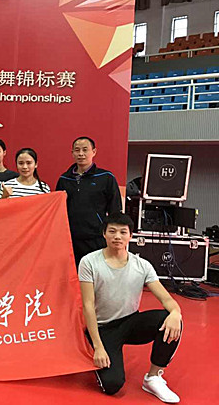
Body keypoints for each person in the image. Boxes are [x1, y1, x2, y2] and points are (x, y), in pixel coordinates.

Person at [79, 213, 182, 403]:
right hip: (104, 329)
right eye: (112, 231)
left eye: (123, 232)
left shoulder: (142, 265)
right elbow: (88, 305)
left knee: (170, 319)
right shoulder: (89, 262)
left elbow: (167, 299)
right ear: (104, 234)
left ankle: (153, 377)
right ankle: (99, 352)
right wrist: (98, 346)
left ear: (130, 236)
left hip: (130, 321)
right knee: (112, 385)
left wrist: (176, 313)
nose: (117, 236)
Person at [56, 136, 122, 265]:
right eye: (77, 150)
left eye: (85, 150)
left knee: (96, 272)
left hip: (96, 238)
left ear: (94, 152)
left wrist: (113, 235)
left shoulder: (106, 177)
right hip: (70, 239)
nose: (81, 154)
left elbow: (115, 210)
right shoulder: (64, 179)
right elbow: (58, 210)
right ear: (72, 153)